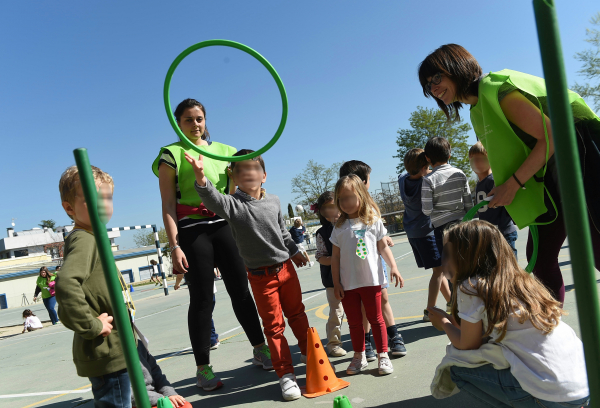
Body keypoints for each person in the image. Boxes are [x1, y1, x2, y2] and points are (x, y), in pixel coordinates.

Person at [418, 44, 600, 304]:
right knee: (541, 260)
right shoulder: (476, 110)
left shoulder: (495, 89)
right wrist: (505, 186)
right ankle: (551, 335)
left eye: (437, 77)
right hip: (548, 182)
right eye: (428, 85)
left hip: (582, 165)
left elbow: (552, 137)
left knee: (596, 251)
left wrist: (513, 184)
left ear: (458, 67)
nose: (433, 88)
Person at [153, 98, 271, 391]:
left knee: (241, 291)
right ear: (178, 123)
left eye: (199, 119)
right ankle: (203, 367)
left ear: (206, 121)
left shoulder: (226, 152)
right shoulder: (171, 154)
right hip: (192, 229)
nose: (195, 125)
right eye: (189, 120)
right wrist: (175, 246)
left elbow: (234, 196)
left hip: (223, 225)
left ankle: (260, 347)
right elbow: (168, 204)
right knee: (203, 299)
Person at [186, 149, 310, 401]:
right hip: (260, 277)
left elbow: (283, 232)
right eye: (241, 170)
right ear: (233, 176)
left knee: (297, 315)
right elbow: (212, 199)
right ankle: (285, 374)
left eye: (253, 168)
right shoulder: (233, 205)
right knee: (274, 327)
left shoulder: (274, 200)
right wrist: (200, 178)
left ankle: (311, 356)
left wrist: (294, 250)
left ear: (264, 175)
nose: (248, 173)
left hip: (286, 269)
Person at [428, 220, 589, 408]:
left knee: (455, 368)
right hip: (587, 384)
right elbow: (479, 333)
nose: (445, 260)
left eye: (448, 253)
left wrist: (444, 323)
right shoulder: (521, 281)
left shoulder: (471, 286)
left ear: (463, 256)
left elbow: (467, 344)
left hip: (553, 395)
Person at [55, 165, 132, 408]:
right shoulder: (84, 240)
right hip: (106, 350)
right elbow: (66, 285)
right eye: (93, 198)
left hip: (116, 348)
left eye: (107, 197)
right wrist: (91, 324)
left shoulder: (93, 237)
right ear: (69, 208)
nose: (104, 203)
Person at [331, 174, 404, 376]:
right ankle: (359, 356)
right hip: (348, 285)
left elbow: (383, 247)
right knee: (354, 323)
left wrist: (393, 267)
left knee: (376, 319)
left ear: (361, 195)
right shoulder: (338, 227)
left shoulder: (373, 220)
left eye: (349, 197)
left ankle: (383, 356)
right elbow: (335, 258)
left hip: (372, 281)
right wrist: (336, 282)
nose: (345, 202)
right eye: (341, 199)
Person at [399, 149, 452, 323]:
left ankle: (452, 302)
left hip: (413, 233)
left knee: (438, 270)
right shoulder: (426, 182)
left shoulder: (402, 180)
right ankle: (430, 310)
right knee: (439, 271)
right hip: (426, 232)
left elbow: (409, 172)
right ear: (424, 167)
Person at [469, 142, 519, 257]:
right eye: (472, 159)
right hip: (490, 233)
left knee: (509, 264)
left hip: (503, 232)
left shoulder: (493, 181)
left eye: (480, 158)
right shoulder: (479, 184)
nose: (475, 162)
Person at [314, 191, 347, 357]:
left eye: (333, 206)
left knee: (360, 309)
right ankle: (333, 343)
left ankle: (364, 339)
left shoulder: (349, 225)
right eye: (325, 208)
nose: (330, 211)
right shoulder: (322, 233)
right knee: (336, 311)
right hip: (332, 280)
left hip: (354, 276)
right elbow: (321, 257)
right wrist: (336, 260)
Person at [131, 342, 189, 408]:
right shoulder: (118, 356)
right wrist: (159, 399)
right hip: (134, 402)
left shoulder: (138, 343)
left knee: (185, 406)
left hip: (151, 397)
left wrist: (169, 393)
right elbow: (124, 393)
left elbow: (155, 372)